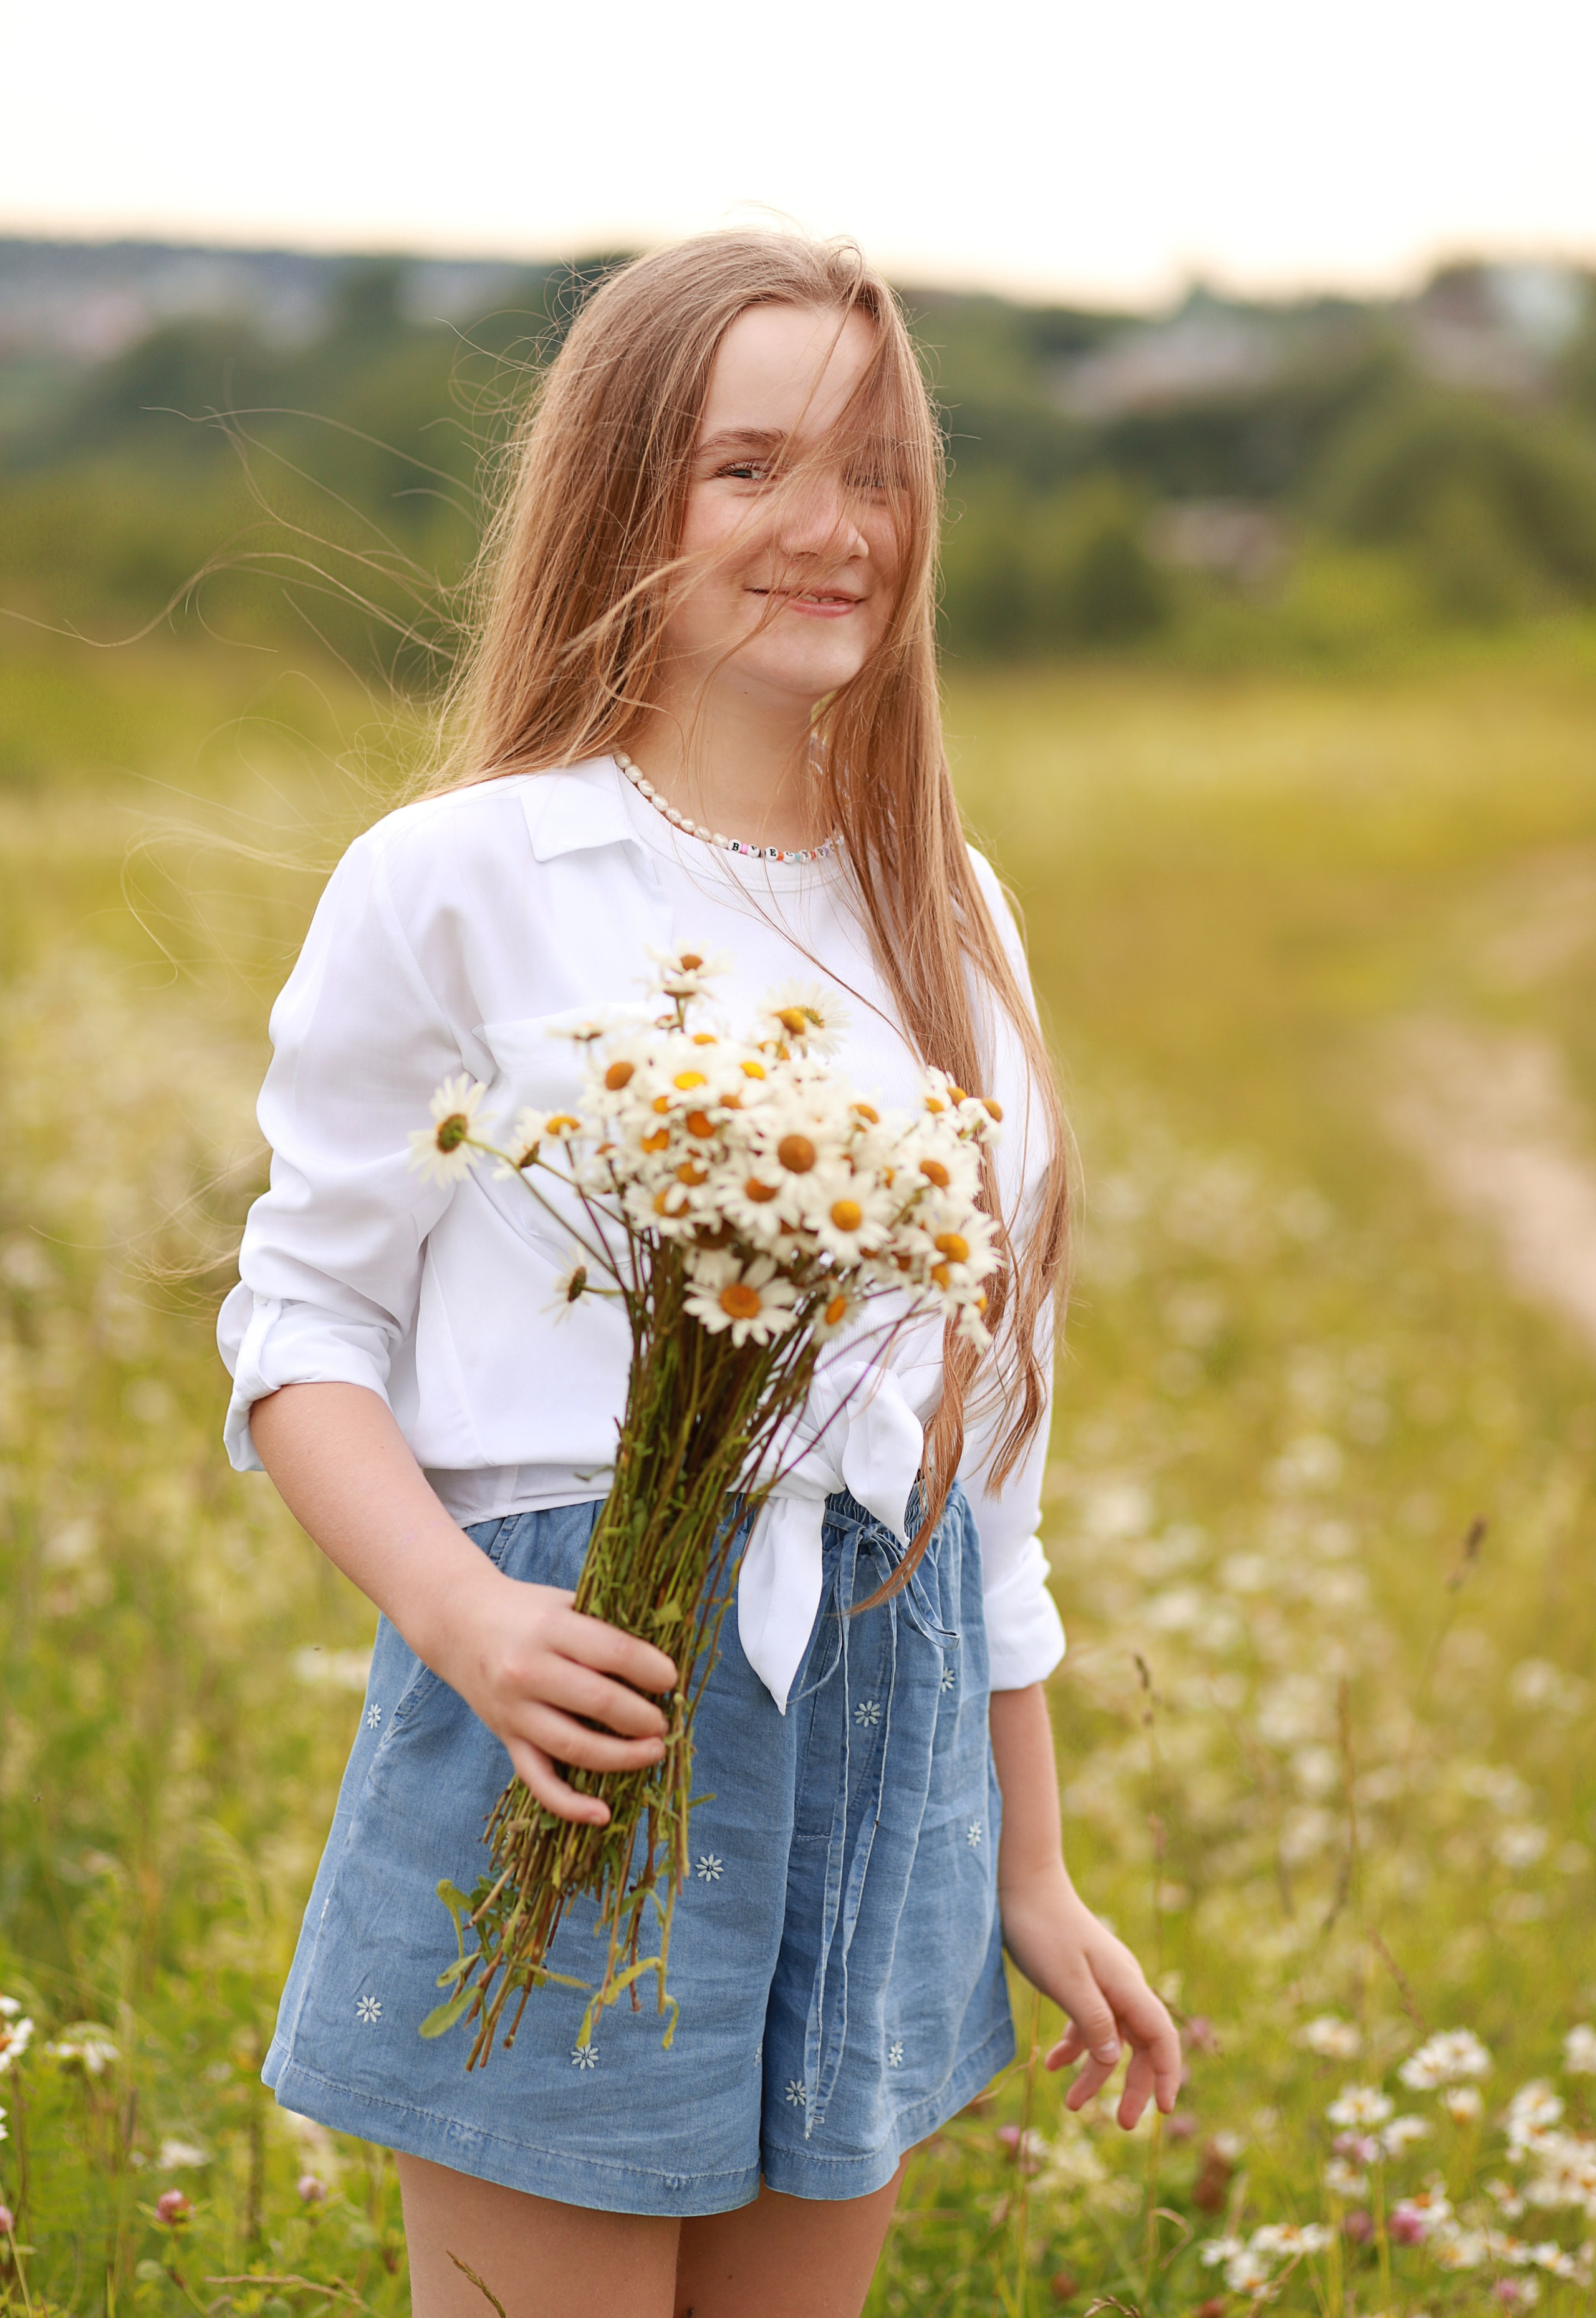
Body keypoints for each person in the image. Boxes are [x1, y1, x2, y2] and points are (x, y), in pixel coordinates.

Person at [219, 231, 1180, 2318]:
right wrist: (468, 1616)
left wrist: (1030, 1860)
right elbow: (301, 1326)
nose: (833, 530)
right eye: (752, 468)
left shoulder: (949, 905)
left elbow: (982, 1440)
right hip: (588, 1708)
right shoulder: (461, 877)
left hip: (890, 1720)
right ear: (623, 496)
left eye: (876, 470)